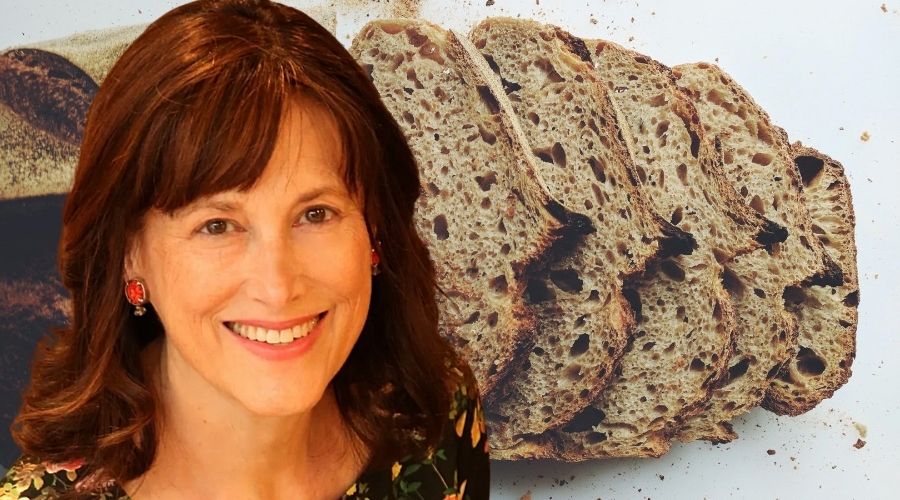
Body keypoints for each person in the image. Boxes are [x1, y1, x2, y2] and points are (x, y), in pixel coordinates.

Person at [0, 1, 490, 498]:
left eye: (315, 214)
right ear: (130, 253)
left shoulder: (435, 419)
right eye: (217, 225)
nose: (277, 287)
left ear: (375, 230)